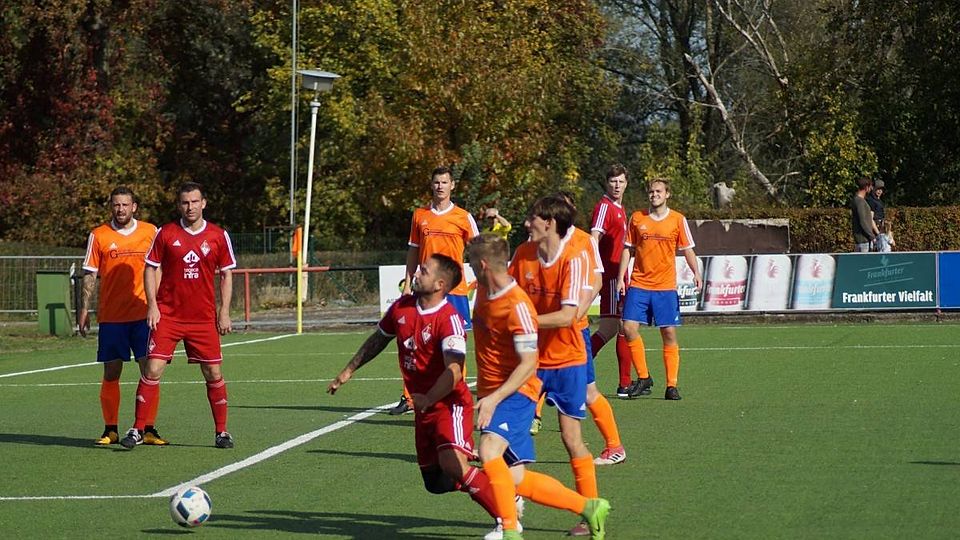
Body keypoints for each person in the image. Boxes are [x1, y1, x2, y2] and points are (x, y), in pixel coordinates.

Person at [327, 254, 503, 531]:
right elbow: (378, 339)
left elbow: (455, 371)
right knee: (436, 483)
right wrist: (348, 370)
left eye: (424, 271)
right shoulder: (402, 307)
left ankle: (506, 518)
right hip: (424, 408)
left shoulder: (450, 319)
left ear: (440, 284)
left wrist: (430, 398)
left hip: (450, 404)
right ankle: (494, 486)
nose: (416, 274)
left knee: (452, 464)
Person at [469, 233, 611, 540]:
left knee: (489, 450)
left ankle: (510, 531)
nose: (468, 267)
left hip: (515, 391)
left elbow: (528, 364)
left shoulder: (517, 305)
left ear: (482, 265)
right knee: (515, 477)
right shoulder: (482, 291)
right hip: (493, 391)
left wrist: (494, 398)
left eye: (470, 262)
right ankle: (589, 507)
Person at [508, 195, 603, 537]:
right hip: (530, 361)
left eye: (532, 218)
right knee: (506, 435)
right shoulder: (523, 254)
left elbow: (568, 315)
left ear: (549, 223)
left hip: (568, 360)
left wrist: (524, 321)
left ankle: (591, 512)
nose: (526, 224)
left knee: (570, 438)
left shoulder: (574, 257)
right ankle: (508, 511)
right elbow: (510, 296)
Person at [119, 182, 237, 450]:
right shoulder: (166, 233)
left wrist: (224, 311)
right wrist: (152, 305)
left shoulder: (218, 235)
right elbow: (150, 268)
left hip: (203, 318)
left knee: (213, 371)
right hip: (168, 316)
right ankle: (137, 429)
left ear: (203, 203)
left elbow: (227, 274)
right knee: (152, 368)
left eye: (195, 202)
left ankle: (222, 432)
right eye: (185, 202)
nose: (190, 207)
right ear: (179, 205)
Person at [80, 186, 166, 446]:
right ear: (111, 206)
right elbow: (90, 274)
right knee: (111, 370)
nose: (120, 209)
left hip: (144, 314)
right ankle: (111, 429)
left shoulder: (151, 232)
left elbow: (160, 268)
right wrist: (84, 309)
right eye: (116, 205)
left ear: (134, 207)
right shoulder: (99, 235)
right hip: (112, 316)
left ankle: (148, 428)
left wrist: (158, 304)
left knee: (149, 369)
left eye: (125, 205)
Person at [391, 166, 479, 415]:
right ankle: (410, 397)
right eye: (437, 182)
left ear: (452, 185)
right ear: (431, 185)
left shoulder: (463, 217)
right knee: (417, 343)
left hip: (455, 291)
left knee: (455, 344)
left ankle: (456, 394)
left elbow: (478, 249)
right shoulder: (420, 215)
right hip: (426, 291)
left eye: (444, 182)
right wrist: (408, 284)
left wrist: (483, 279)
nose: (440, 186)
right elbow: (413, 251)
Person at [617, 179, 702, 401]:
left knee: (669, 333)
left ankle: (671, 385)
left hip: (665, 287)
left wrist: (696, 272)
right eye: (651, 191)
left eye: (658, 191)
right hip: (639, 284)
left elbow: (688, 249)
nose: (654, 195)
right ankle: (644, 377)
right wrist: (620, 277)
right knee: (628, 328)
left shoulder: (677, 219)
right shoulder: (637, 218)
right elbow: (628, 249)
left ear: (667, 194)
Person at [588, 165, 635, 398]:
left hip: (619, 275)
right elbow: (593, 237)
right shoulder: (605, 207)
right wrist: (596, 267)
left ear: (626, 184)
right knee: (615, 327)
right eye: (613, 181)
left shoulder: (620, 208)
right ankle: (573, 368)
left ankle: (625, 383)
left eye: (621, 181)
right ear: (607, 183)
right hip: (609, 277)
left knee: (620, 326)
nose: (617, 185)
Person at [850, 176, 876, 253]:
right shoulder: (860, 201)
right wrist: (872, 236)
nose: (871, 189)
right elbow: (863, 221)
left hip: (863, 240)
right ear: (866, 187)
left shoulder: (858, 200)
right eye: (870, 186)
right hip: (863, 240)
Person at [867, 179, 886, 248]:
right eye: (878, 189)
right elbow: (870, 219)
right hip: (874, 231)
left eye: (881, 189)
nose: (880, 191)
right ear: (873, 188)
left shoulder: (879, 201)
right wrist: (878, 233)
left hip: (881, 229)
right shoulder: (871, 200)